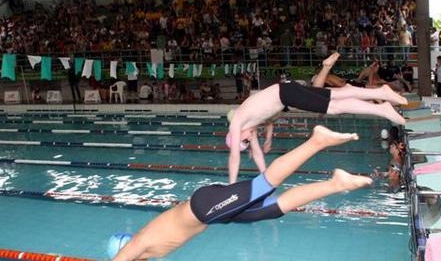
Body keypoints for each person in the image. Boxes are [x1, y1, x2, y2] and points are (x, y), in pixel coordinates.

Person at [111, 126, 373, 261]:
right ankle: (336, 184)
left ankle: (317, 140)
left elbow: (125, 254)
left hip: (205, 207)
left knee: (264, 185)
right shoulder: (146, 250)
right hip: (211, 215)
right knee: (271, 209)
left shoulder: (139, 243)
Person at [227, 53, 407, 184]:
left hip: (286, 94)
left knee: (335, 107)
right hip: (287, 93)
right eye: (248, 141)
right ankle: (381, 92)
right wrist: (265, 179)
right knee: (337, 95)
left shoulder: (237, 121)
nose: (250, 138)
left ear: (235, 136)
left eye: (245, 139)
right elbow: (257, 154)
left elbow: (234, 157)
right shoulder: (249, 126)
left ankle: (382, 110)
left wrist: (231, 186)